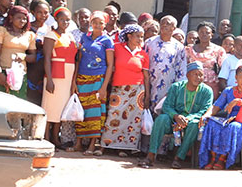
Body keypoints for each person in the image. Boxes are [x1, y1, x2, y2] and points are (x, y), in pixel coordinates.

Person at [145, 62, 212, 169]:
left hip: (190, 122)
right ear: (187, 75)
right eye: (195, 74)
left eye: (201, 75)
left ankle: (179, 158)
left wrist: (187, 119)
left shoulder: (207, 91)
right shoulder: (176, 87)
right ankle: (151, 155)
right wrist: (176, 116)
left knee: (195, 124)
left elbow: (204, 110)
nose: (198, 77)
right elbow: (167, 106)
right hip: (173, 121)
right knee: (161, 119)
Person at [198, 65, 242, 170]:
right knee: (211, 123)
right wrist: (205, 116)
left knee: (233, 127)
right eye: (241, 77)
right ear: (236, 77)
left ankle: (222, 159)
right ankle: (213, 158)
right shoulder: (228, 91)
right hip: (228, 120)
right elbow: (216, 106)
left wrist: (240, 102)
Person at [101, 24, 150, 157]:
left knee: (132, 119)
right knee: (113, 115)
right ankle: (104, 146)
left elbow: (146, 76)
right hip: (119, 88)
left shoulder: (143, 54)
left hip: (137, 90)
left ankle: (124, 147)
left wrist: (147, 96)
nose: (140, 39)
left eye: (142, 37)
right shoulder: (117, 47)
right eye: (138, 36)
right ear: (129, 36)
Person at [74, 11, 114, 155]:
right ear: (91, 23)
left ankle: (92, 144)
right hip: (82, 79)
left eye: (101, 23)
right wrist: (74, 81)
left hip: (98, 79)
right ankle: (78, 143)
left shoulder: (107, 41)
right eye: (95, 22)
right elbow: (78, 59)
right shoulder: (84, 38)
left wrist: (104, 87)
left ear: (105, 24)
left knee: (95, 112)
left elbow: (110, 65)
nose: (97, 25)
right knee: (81, 111)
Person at [41, 7, 79, 148]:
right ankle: (46, 137)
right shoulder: (51, 35)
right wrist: (49, 79)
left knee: (60, 110)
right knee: (50, 107)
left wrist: (73, 81)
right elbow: (47, 58)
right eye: (62, 19)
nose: (65, 22)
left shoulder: (70, 36)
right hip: (56, 75)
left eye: (68, 20)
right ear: (56, 19)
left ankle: (56, 139)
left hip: (68, 77)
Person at [0, 4, 36, 99]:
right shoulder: (1, 31)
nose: (22, 21)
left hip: (19, 74)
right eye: (19, 18)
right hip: (3, 71)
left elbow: (33, 57)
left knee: (17, 105)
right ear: (11, 18)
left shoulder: (30, 35)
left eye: (24, 19)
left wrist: (24, 56)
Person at [142, 15, 186, 108]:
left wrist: (177, 91)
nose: (164, 25)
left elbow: (181, 70)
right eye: (162, 23)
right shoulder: (149, 42)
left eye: (168, 23)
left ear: (173, 28)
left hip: (168, 87)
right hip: (149, 85)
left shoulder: (179, 47)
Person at [185, 22, 225, 97]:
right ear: (198, 34)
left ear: (212, 34)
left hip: (211, 86)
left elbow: (223, 69)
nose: (204, 34)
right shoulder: (189, 49)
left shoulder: (219, 50)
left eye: (207, 32)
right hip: (191, 85)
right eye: (201, 32)